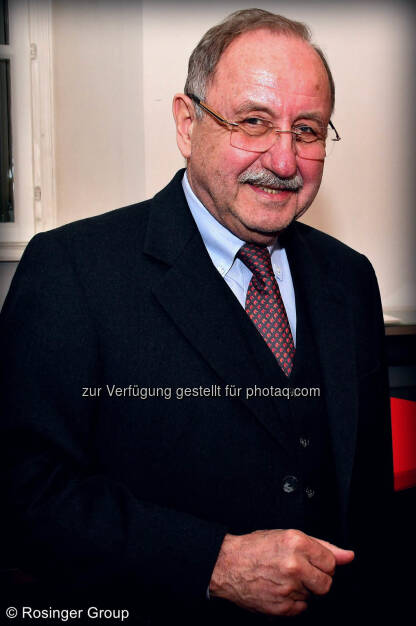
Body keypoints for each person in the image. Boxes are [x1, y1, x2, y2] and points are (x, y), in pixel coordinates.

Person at [0, 8, 394, 625]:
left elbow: (367, 502)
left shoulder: (349, 277)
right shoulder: (73, 271)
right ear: (188, 124)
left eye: (308, 130)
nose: (284, 160)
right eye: (253, 122)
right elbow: (21, 492)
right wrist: (212, 563)